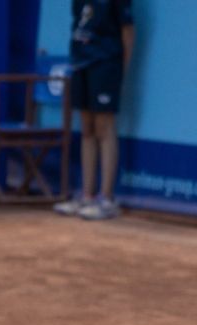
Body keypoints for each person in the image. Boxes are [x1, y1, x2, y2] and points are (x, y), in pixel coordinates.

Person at [53, 0, 135, 221]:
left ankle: (107, 199)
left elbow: (128, 34)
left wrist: (120, 73)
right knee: (87, 128)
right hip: (81, 64)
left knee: (104, 128)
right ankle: (87, 195)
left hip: (106, 64)